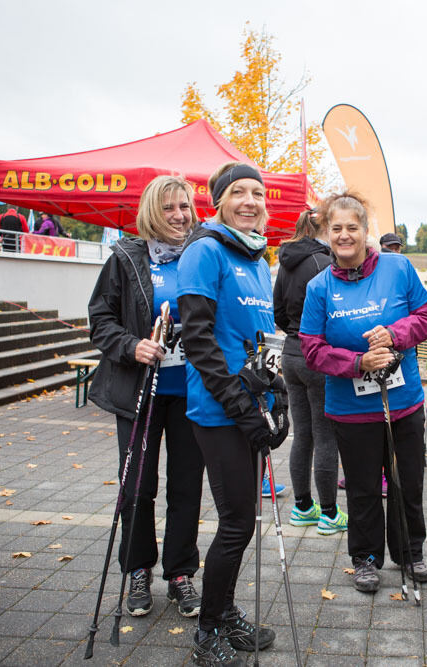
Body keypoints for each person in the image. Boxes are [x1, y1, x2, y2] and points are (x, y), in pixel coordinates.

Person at [300, 192, 427, 594]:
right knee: (361, 489)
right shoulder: (318, 287)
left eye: (352, 228)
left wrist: (395, 335)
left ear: (365, 231)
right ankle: (364, 559)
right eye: (336, 229)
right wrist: (357, 363)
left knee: (406, 483)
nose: (345, 236)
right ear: (326, 233)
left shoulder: (398, 268)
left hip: (403, 403)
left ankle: (410, 552)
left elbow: (426, 315)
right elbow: (311, 347)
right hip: (351, 408)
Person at [177, 162, 286, 667]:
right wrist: (240, 406)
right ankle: (206, 630)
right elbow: (198, 339)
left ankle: (223, 613)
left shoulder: (259, 258)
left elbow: (260, 339)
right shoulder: (205, 250)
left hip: (248, 406)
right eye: (237, 192)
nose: (249, 200)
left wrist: (276, 390)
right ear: (217, 201)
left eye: (257, 192)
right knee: (238, 523)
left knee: (246, 518)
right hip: (217, 410)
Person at [88, 175, 205, 620]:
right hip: (141, 393)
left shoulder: (201, 254)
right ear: (152, 212)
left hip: (190, 392)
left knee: (186, 487)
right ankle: (137, 569)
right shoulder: (125, 257)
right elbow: (99, 321)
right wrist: (132, 345)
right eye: (170, 208)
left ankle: (180, 575)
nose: (180, 216)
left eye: (186, 207)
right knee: (138, 487)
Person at [273, 208, 347, 535]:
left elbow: (276, 310)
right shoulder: (322, 263)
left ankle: (303, 506)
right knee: (325, 434)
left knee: (302, 433)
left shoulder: (286, 262)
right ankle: (329, 513)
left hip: (290, 351)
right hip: (316, 353)